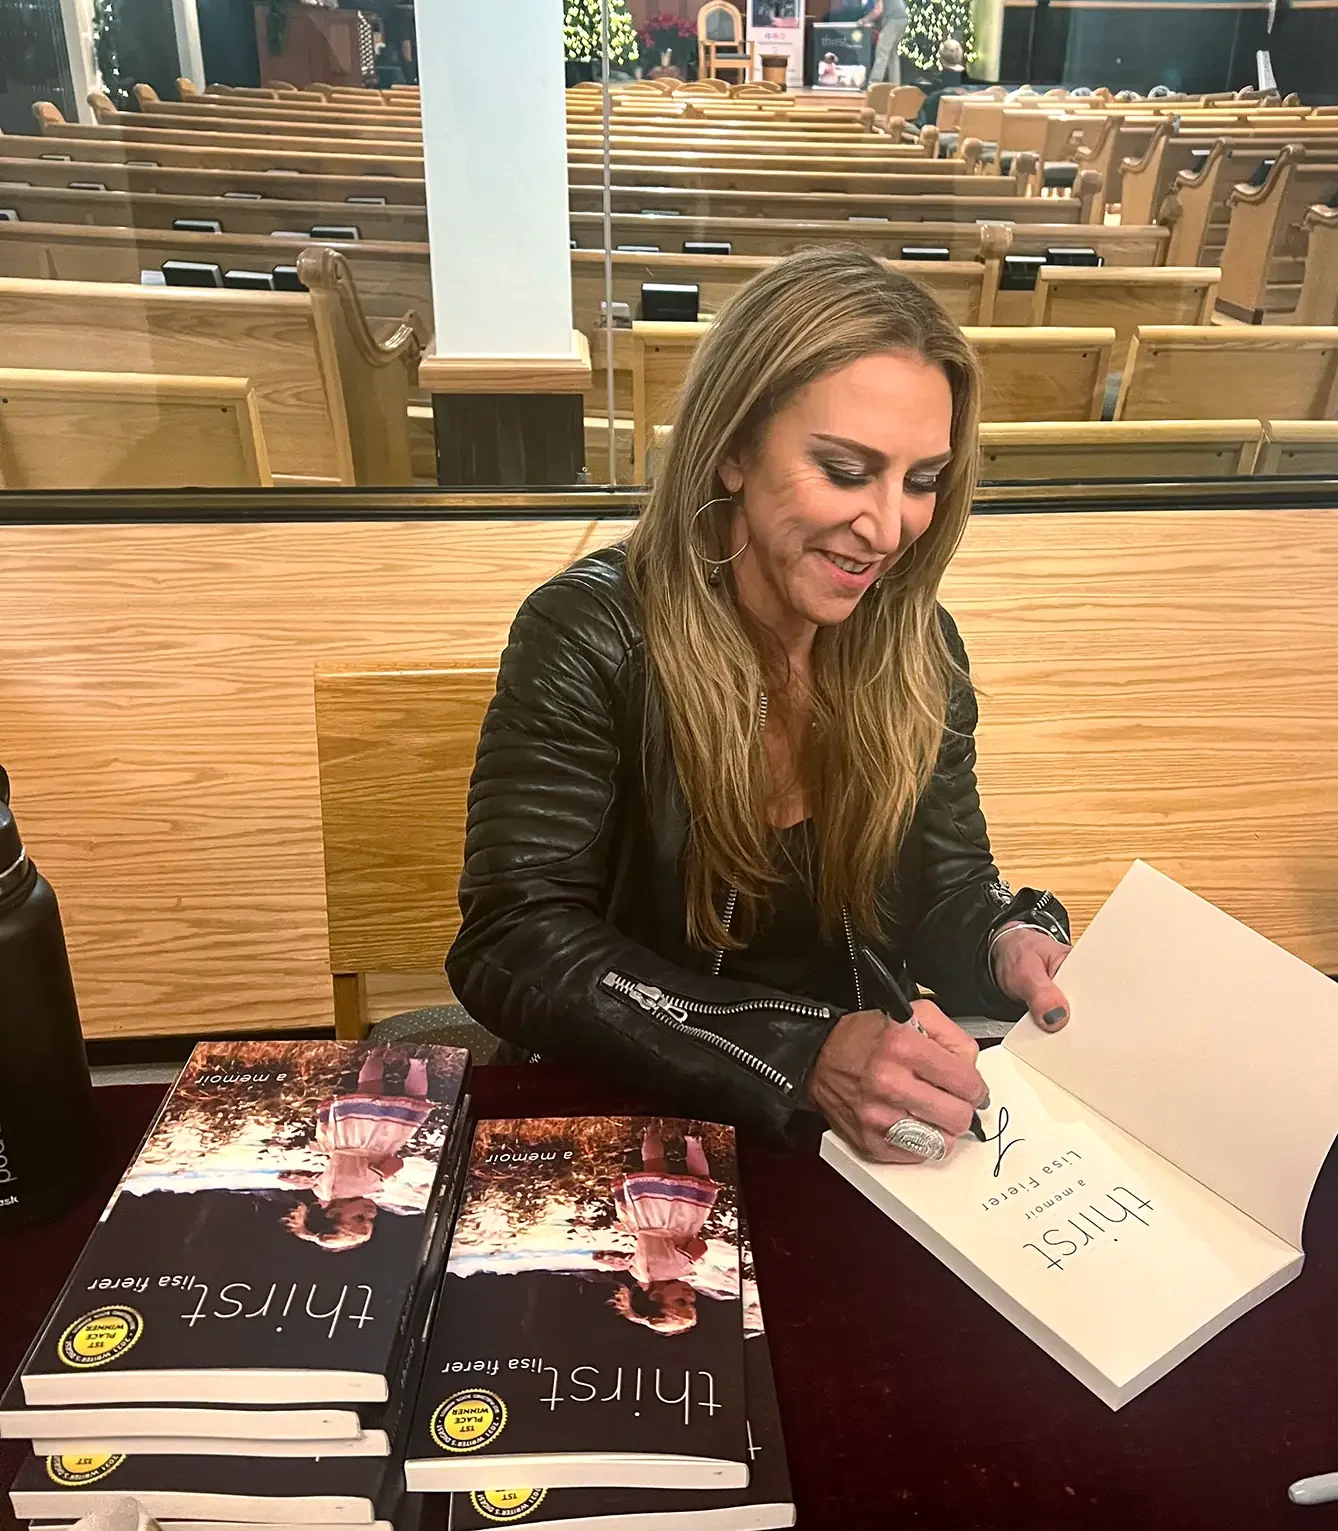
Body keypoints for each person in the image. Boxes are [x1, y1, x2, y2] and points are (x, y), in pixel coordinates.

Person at [447, 247, 1072, 1167]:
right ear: (733, 449)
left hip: (858, 1119)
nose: (890, 525)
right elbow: (514, 940)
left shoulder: (916, 641)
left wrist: (1005, 936)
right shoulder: (588, 632)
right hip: (640, 1102)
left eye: (923, 478)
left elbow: (946, 883)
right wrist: (802, 1050)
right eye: (845, 469)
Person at [278, 1046, 433, 1249]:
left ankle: (418, 1062)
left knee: (415, 1102)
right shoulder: (325, 1192)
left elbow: (395, 1163)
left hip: (373, 1141)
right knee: (368, 1091)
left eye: (360, 1218)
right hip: (345, 1137)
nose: (371, 1214)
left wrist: (390, 1171)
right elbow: (317, 1178)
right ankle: (376, 1054)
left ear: (333, 1213)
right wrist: (296, 1180)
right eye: (370, 1221)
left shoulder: (365, 1187)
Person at [593, 1125, 721, 1335]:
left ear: (655, 1297)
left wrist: (695, 1255)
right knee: (652, 1168)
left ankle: (693, 1141)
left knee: (702, 1181)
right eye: (692, 1303)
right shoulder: (640, 1273)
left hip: (677, 1220)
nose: (691, 1296)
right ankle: (650, 1131)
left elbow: (700, 1246)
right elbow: (638, 1265)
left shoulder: (678, 1268)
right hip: (645, 1217)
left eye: (682, 1301)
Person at [865, 0, 908, 86]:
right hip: (902, 18)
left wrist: (864, 20)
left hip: (893, 19)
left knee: (882, 52)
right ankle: (895, 85)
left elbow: (878, 10)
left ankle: (873, 84)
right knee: (892, 54)